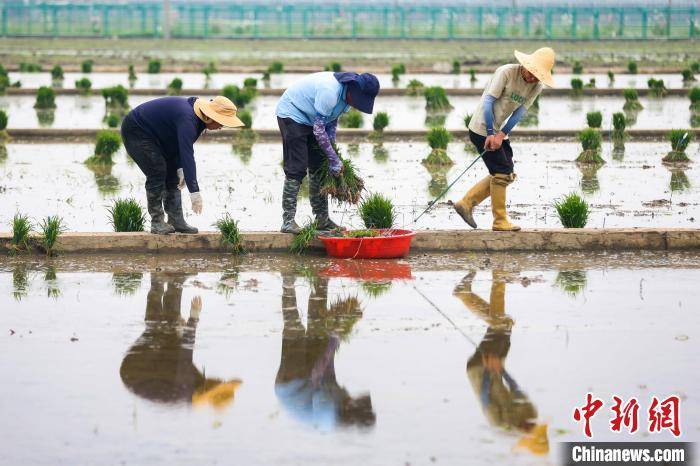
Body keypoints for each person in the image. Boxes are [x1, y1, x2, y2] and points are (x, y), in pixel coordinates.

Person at [454, 47, 555, 231]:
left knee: (506, 173)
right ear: (526, 65)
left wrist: (501, 135)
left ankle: (466, 203)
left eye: (538, 76)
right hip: (481, 127)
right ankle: (499, 221)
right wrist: (490, 133)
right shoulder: (506, 72)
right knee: (501, 172)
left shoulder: (537, 86)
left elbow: (519, 113)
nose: (532, 78)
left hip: (500, 130)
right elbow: (488, 103)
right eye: (531, 73)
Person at [121, 96, 244, 234]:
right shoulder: (188, 119)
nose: (221, 127)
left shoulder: (199, 120)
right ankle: (157, 222)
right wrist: (194, 191)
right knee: (157, 171)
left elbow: (178, 145)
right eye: (221, 122)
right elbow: (187, 153)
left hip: (158, 136)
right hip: (136, 130)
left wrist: (179, 167)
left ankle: (176, 220)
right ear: (211, 117)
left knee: (172, 173)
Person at [276, 71, 380, 233]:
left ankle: (322, 220)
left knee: (319, 167)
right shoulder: (330, 92)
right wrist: (333, 158)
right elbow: (319, 130)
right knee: (297, 167)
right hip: (292, 114)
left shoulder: (347, 98)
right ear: (353, 89)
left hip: (311, 118)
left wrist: (331, 149)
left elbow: (331, 121)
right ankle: (288, 222)